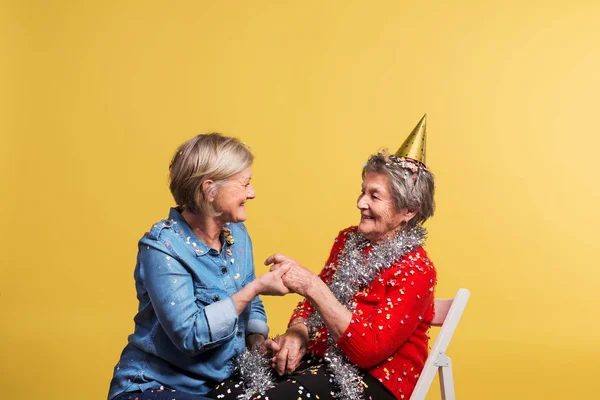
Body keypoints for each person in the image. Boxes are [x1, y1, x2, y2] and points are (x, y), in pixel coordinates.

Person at [209, 115, 437, 400]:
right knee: (224, 393)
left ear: (408, 210)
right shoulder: (348, 240)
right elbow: (310, 308)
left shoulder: (417, 269)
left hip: (372, 381)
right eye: (362, 191)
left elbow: (368, 351)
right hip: (322, 363)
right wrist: (298, 331)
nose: (360, 202)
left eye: (374, 196)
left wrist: (311, 285)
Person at [108, 133, 291, 400]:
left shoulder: (237, 234)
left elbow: (251, 306)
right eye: (245, 184)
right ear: (210, 189)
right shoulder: (161, 249)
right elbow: (191, 336)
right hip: (155, 388)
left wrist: (257, 342)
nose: (252, 193)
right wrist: (255, 288)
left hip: (217, 387)